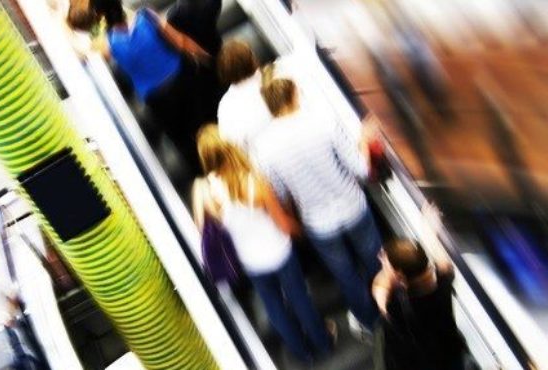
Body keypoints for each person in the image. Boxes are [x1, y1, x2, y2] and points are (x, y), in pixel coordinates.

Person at [250, 78, 384, 332]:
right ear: (293, 95)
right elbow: (362, 170)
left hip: (318, 223)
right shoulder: (323, 121)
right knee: (376, 262)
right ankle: (393, 311)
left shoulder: (263, 148)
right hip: (353, 207)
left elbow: (280, 193)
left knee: (346, 277)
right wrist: (364, 140)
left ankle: (370, 323)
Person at [193, 126, 333, 363]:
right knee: (299, 298)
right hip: (280, 252)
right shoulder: (253, 182)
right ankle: (323, 342)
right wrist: (300, 231)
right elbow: (283, 224)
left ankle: (302, 353)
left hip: (250, 262)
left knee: (274, 308)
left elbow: (203, 233)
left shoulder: (204, 191)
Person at [81, 0, 223, 174]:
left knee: (184, 141)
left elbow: (82, 51)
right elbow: (181, 42)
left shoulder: (108, 43)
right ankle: (229, 155)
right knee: (206, 120)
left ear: (100, 16)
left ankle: (207, 172)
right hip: (182, 78)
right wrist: (207, 58)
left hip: (158, 99)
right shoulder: (146, 16)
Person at [372, 239, 465, 370]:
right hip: (448, 352)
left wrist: (382, 301)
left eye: (385, 264)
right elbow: (443, 264)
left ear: (398, 276)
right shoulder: (444, 282)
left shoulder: (397, 309)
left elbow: (379, 288)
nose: (381, 262)